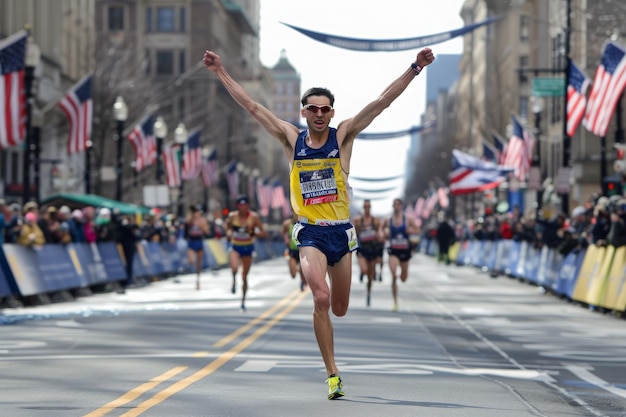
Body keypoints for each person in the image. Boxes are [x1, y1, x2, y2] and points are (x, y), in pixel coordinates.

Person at [203, 46, 435, 399]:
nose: (320, 114)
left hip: (341, 233)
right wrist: (221, 70)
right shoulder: (291, 139)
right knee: (321, 298)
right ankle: (332, 374)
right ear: (304, 111)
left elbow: (381, 102)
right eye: (313, 108)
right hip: (309, 231)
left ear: (332, 112)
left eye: (325, 109)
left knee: (339, 308)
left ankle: (332, 346)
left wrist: (415, 68)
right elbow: (251, 106)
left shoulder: (343, 136)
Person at [225, 194, 267, 311]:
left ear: (248, 206)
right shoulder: (232, 216)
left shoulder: (254, 217)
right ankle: (233, 280)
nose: (242, 208)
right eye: (240, 205)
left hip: (248, 247)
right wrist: (229, 233)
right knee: (234, 268)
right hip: (236, 246)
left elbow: (263, 233)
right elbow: (227, 227)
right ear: (237, 206)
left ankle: (243, 301)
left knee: (244, 276)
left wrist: (251, 232)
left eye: (245, 205)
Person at [381, 198, 420, 312]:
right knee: (393, 275)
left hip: (405, 251)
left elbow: (418, 231)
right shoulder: (389, 220)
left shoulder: (408, 219)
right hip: (393, 250)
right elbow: (381, 229)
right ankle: (395, 302)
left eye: (398, 205)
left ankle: (402, 276)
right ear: (393, 207)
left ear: (401, 206)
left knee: (403, 278)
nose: (396, 207)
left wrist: (411, 231)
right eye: (395, 205)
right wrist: (383, 234)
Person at [353, 199, 384, 307]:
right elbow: (353, 233)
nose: (367, 208)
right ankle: (362, 272)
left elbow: (380, 232)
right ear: (363, 207)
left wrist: (380, 236)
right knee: (364, 269)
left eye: (368, 206)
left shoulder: (375, 221)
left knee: (370, 276)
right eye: (365, 206)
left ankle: (369, 292)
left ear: (370, 208)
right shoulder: (357, 221)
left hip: (372, 249)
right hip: (362, 249)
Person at [185, 205, 211, 290]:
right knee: (191, 260)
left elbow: (207, 231)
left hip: (199, 241)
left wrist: (201, 227)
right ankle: (189, 269)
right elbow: (186, 230)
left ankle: (197, 281)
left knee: (198, 263)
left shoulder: (202, 221)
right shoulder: (190, 220)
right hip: (191, 241)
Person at [282, 212, 306, 291]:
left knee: (304, 277)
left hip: (303, 251)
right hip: (292, 251)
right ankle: (298, 268)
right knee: (293, 275)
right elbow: (283, 232)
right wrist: (286, 239)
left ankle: (302, 279)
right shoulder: (287, 223)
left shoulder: (305, 223)